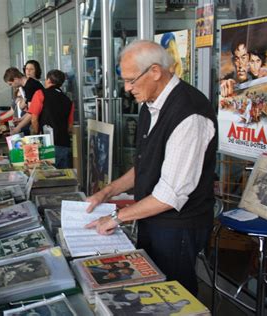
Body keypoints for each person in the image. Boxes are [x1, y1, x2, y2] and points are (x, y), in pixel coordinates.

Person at [85, 40, 217, 297]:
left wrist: (115, 218)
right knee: (152, 288)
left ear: (155, 71)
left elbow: (170, 195)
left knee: (175, 294)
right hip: (153, 216)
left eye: (132, 80)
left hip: (178, 224)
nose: (127, 88)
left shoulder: (190, 115)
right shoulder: (151, 104)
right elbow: (145, 165)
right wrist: (107, 192)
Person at [28, 69, 75, 168]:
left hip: (46, 144)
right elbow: (70, 127)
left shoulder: (40, 94)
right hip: (64, 143)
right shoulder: (68, 100)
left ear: (48, 80)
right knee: (63, 178)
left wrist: (35, 135)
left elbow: (34, 119)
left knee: (46, 177)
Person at [3, 67, 43, 135]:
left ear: (15, 79)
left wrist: (18, 128)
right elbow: (31, 110)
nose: (12, 86)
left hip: (43, 119)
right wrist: (21, 119)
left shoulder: (30, 86)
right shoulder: (27, 84)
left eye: (11, 84)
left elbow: (32, 113)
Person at [220, 31, 251, 97]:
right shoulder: (228, 80)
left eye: (243, 57)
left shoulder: (259, 76)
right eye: (237, 58)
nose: (240, 64)